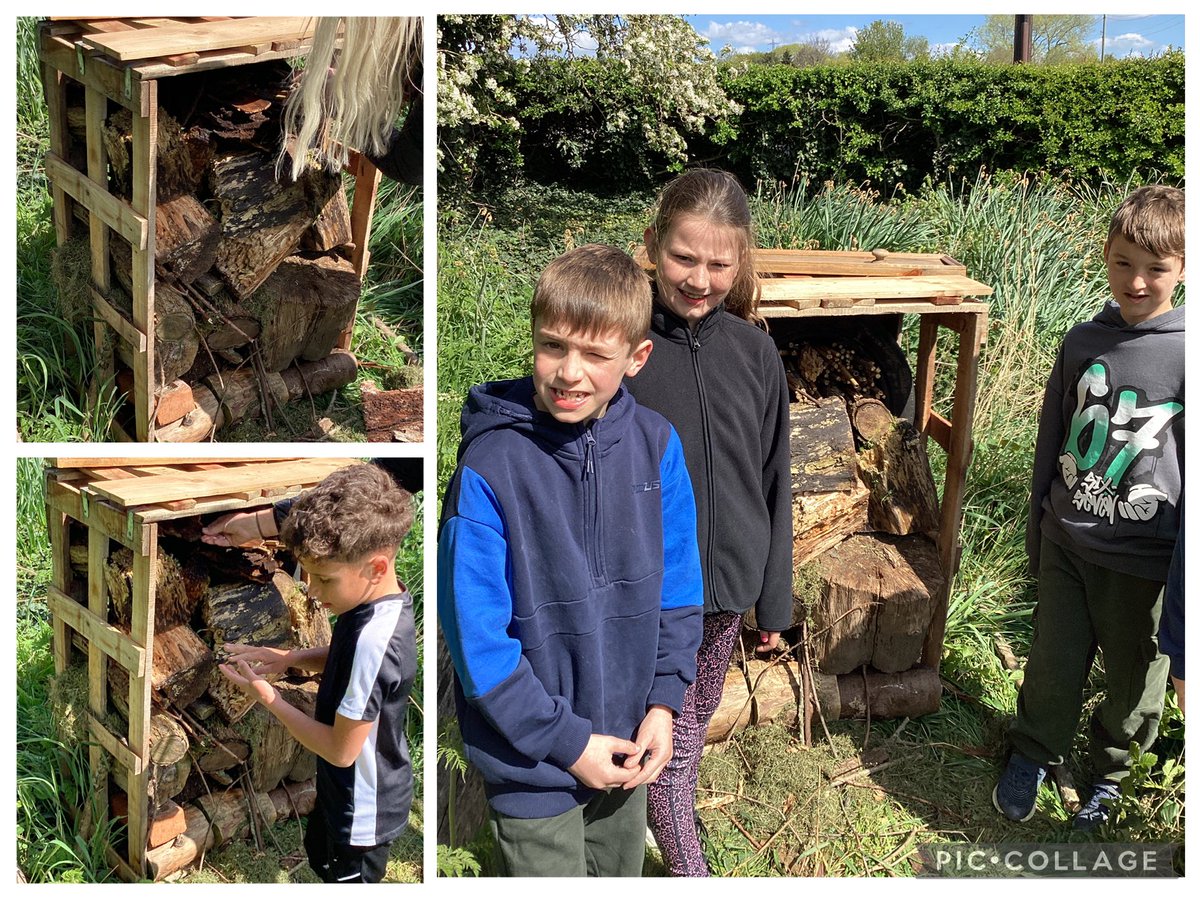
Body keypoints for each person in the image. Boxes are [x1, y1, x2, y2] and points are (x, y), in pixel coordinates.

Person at [437, 244, 705, 877]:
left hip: (628, 746)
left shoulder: (657, 448)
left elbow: (679, 592)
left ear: (637, 358)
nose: (568, 372)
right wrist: (568, 743)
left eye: (594, 354)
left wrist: (665, 706)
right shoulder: (490, 466)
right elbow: (479, 644)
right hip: (530, 760)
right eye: (553, 346)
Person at [994, 185, 1185, 831]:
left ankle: (1110, 776)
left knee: (1134, 685)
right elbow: (1052, 439)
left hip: (1145, 561)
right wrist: (1035, 534)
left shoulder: (1188, 354)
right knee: (1052, 659)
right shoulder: (1081, 342)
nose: (1138, 282)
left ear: (1182, 268)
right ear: (1105, 257)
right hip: (1067, 542)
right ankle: (1033, 748)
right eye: (1124, 262)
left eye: (1156, 268)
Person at [624, 168, 793, 876]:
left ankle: (676, 844)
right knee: (653, 726)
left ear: (742, 261)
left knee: (684, 732)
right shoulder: (624, 350)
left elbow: (776, 477)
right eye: (683, 258)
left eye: (719, 263)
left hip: (724, 592)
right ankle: (686, 866)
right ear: (653, 244)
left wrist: (772, 600)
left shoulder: (755, 352)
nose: (699, 278)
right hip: (647, 591)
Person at [212, 463, 418, 883]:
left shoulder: (376, 641)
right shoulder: (374, 603)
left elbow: (341, 750)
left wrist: (268, 697)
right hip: (344, 791)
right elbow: (343, 654)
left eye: (324, 579)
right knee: (320, 861)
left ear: (376, 567)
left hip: (361, 812)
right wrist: (288, 658)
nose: (311, 591)